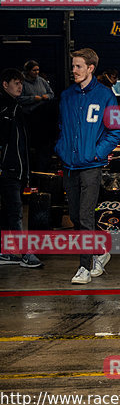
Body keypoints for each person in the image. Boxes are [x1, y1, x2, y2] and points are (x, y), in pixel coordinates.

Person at [55, 48, 120, 284]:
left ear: (91, 68)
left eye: (78, 66)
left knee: (85, 216)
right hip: (69, 165)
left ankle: (84, 267)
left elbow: (115, 131)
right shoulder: (67, 96)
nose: (73, 70)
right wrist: (61, 148)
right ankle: (100, 252)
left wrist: (97, 153)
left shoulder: (105, 96)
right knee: (75, 216)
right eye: (73, 66)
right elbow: (63, 128)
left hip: (92, 165)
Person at [0, 69, 42, 268]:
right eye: (16, 83)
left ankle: (6, 252)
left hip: (17, 170)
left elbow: (21, 145)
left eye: (21, 84)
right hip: (7, 170)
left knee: (9, 211)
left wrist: (26, 172)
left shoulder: (17, 108)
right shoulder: (5, 109)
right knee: (15, 212)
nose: (20, 87)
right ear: (4, 84)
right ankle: (25, 253)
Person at [18, 60, 56, 171]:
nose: (36, 72)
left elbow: (51, 93)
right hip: (29, 117)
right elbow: (19, 98)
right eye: (34, 70)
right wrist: (33, 99)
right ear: (28, 71)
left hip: (43, 116)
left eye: (38, 70)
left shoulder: (41, 81)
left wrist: (46, 97)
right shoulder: (22, 82)